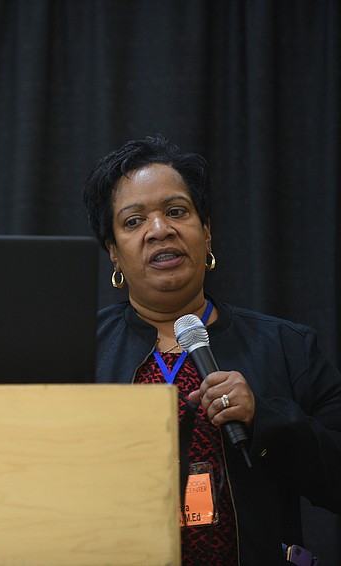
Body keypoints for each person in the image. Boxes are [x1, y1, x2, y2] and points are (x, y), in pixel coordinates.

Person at [82, 134, 341, 565]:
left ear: (205, 231)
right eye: (133, 222)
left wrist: (267, 418)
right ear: (113, 252)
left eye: (176, 212)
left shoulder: (287, 346)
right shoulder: (77, 349)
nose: (159, 230)